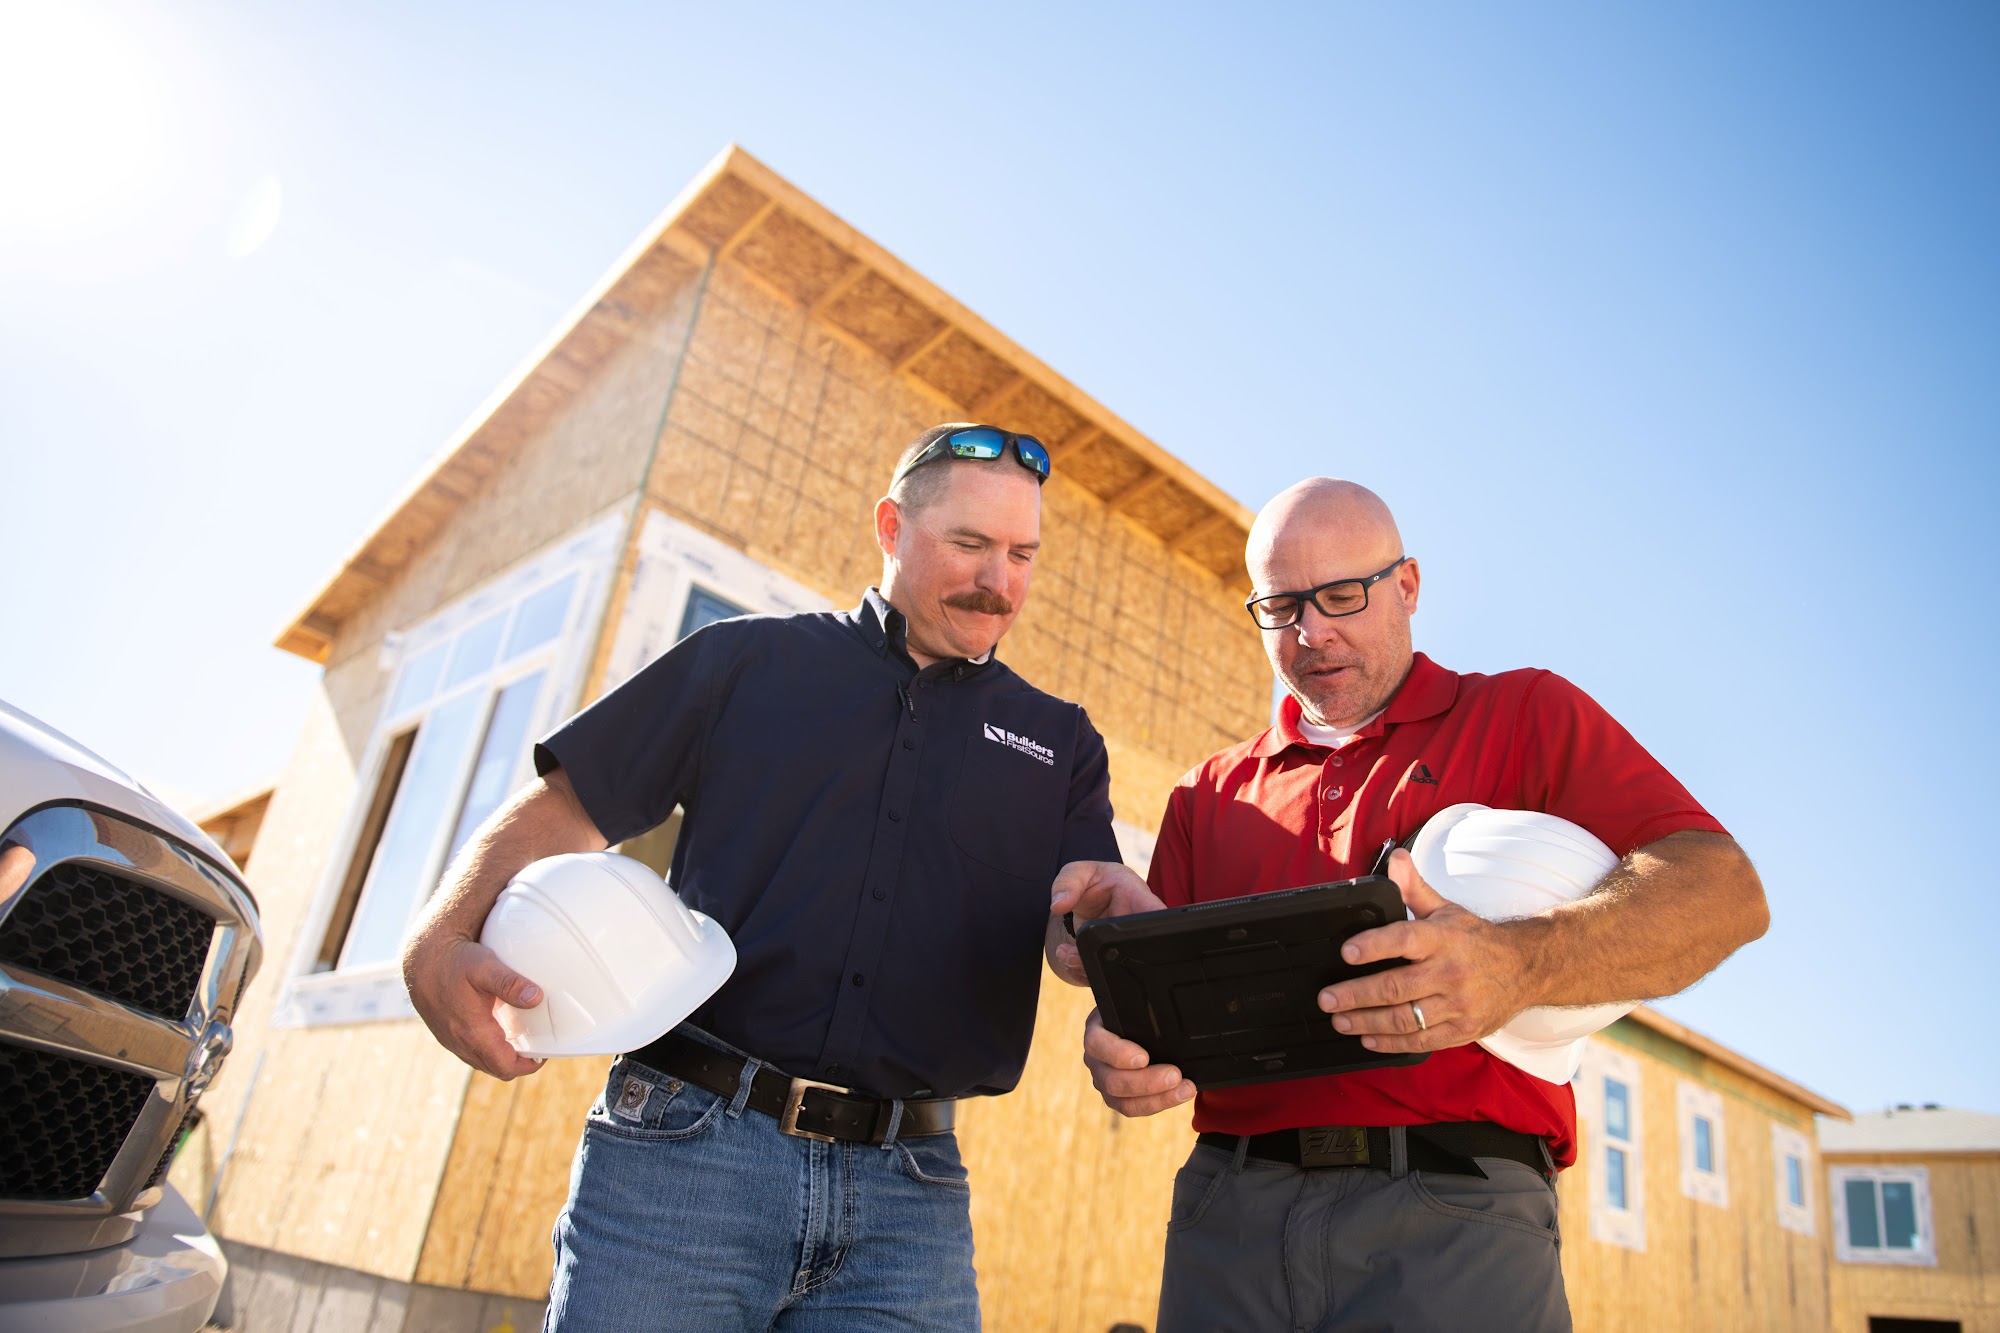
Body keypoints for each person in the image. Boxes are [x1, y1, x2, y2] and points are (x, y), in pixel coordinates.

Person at [402, 423, 1148, 1331]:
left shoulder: (1061, 743)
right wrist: (437, 936)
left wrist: (1104, 932)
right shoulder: (743, 662)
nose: (1000, 580)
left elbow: (1076, 920)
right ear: (891, 526)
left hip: (910, 1202)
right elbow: (569, 804)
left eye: (1022, 554)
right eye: (970, 544)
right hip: (686, 1156)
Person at [1068, 477, 1769, 1333]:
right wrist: (1120, 1042)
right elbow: (1163, 1025)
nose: (1312, 631)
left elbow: (1724, 890)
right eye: (1281, 607)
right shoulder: (1206, 793)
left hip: (1455, 1214)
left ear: (1407, 586)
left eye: (1341, 595)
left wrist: (1520, 962)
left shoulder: (1524, 714)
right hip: (1229, 1217)